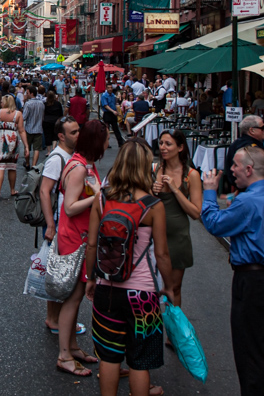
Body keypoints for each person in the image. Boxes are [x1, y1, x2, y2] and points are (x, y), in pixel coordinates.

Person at [200, 147, 264, 396]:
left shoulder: (248, 201)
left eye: (235, 166)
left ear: (249, 170)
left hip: (252, 279)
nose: (232, 170)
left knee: (249, 348)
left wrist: (209, 192)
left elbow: (214, 223)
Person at [86, 140, 175, 396]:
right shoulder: (153, 206)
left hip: (108, 288)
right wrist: (168, 286)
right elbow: (162, 253)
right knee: (140, 359)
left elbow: (92, 245)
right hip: (144, 295)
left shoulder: (102, 199)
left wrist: (91, 277)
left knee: (110, 356)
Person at [54, 120, 108, 378]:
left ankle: (72, 346)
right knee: (73, 297)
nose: (109, 143)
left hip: (80, 236)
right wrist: (98, 196)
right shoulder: (78, 168)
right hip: (75, 238)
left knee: (75, 297)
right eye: (105, 138)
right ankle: (64, 355)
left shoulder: (84, 162)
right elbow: (70, 207)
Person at [151, 129, 202, 307]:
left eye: (168, 144)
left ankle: (172, 334)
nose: (163, 148)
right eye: (161, 143)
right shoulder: (154, 168)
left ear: (180, 147)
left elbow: (195, 213)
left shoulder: (191, 175)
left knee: (174, 287)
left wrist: (175, 189)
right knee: (150, 287)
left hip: (177, 238)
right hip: (152, 235)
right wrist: (152, 192)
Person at [40, 117, 80, 335]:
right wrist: (50, 225)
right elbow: (44, 190)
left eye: (78, 130)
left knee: (58, 271)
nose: (78, 135)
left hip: (65, 221)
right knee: (59, 272)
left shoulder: (70, 155)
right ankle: (54, 320)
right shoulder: (57, 158)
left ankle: (54, 319)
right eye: (73, 132)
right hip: (59, 222)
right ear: (61, 136)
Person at [0, 95, 29, 201]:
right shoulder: (18, 114)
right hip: (12, 141)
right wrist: (26, 146)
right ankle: (12, 190)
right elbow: (21, 130)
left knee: (0, 166)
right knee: (11, 166)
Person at [22, 86, 45, 167]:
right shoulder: (41, 103)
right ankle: (34, 165)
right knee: (37, 149)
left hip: (29, 129)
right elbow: (42, 116)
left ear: (31, 93)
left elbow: (24, 117)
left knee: (27, 147)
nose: (26, 94)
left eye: (27, 93)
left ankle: (27, 163)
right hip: (38, 128)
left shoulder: (28, 104)